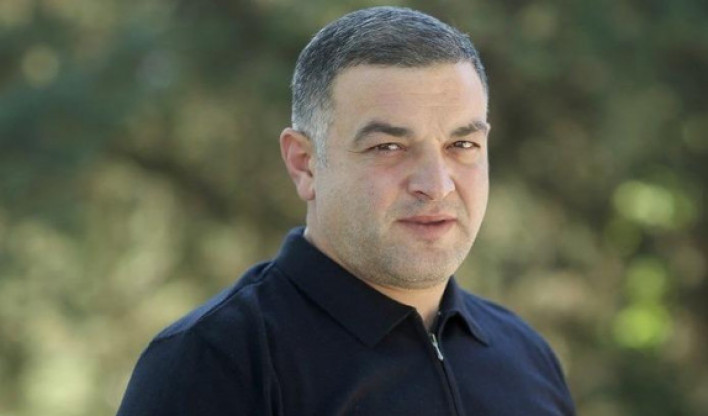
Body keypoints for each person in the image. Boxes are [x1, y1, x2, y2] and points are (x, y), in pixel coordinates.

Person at [117, 6, 576, 416]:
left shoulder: (525, 356)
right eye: (388, 146)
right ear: (304, 163)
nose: (437, 185)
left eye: (462, 144)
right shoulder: (214, 363)